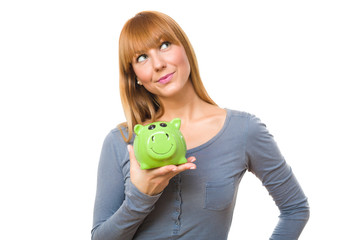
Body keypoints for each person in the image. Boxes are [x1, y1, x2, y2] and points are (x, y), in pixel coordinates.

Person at [91, 11, 310, 240]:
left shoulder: (243, 130)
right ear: (135, 75)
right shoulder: (121, 141)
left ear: (184, 47)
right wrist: (142, 196)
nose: (158, 64)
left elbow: (295, 209)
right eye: (141, 58)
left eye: (164, 45)